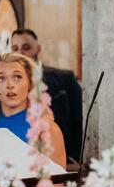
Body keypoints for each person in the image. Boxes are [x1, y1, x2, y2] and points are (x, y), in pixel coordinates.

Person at [9, 29, 83, 164]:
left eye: (26, 48)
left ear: (38, 49)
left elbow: (79, 119)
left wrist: (74, 157)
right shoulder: (8, 84)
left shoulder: (64, 79)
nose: (20, 53)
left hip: (61, 154)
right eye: (15, 48)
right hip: (23, 154)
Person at [0, 52, 65, 166]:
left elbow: (57, 182)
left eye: (17, 77)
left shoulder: (47, 130)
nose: (10, 85)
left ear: (30, 82)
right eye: (1, 79)